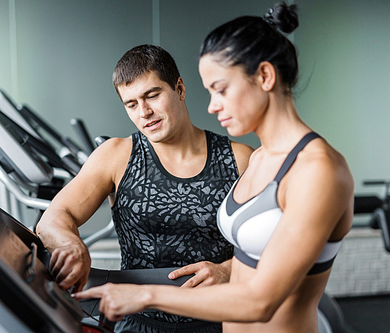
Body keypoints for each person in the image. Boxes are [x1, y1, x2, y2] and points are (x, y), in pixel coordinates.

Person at [74, 3, 354, 332]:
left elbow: (259, 301)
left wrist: (146, 295)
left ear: (264, 76)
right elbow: (255, 260)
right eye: (209, 92)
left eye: (221, 89)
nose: (211, 105)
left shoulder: (316, 169)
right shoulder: (262, 159)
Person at [36, 44, 253, 332]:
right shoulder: (116, 155)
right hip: (138, 321)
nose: (144, 112)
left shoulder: (240, 159)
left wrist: (228, 269)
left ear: (179, 88)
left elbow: (273, 247)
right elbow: (54, 216)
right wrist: (70, 244)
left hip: (217, 318)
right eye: (131, 104)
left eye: (152, 95)